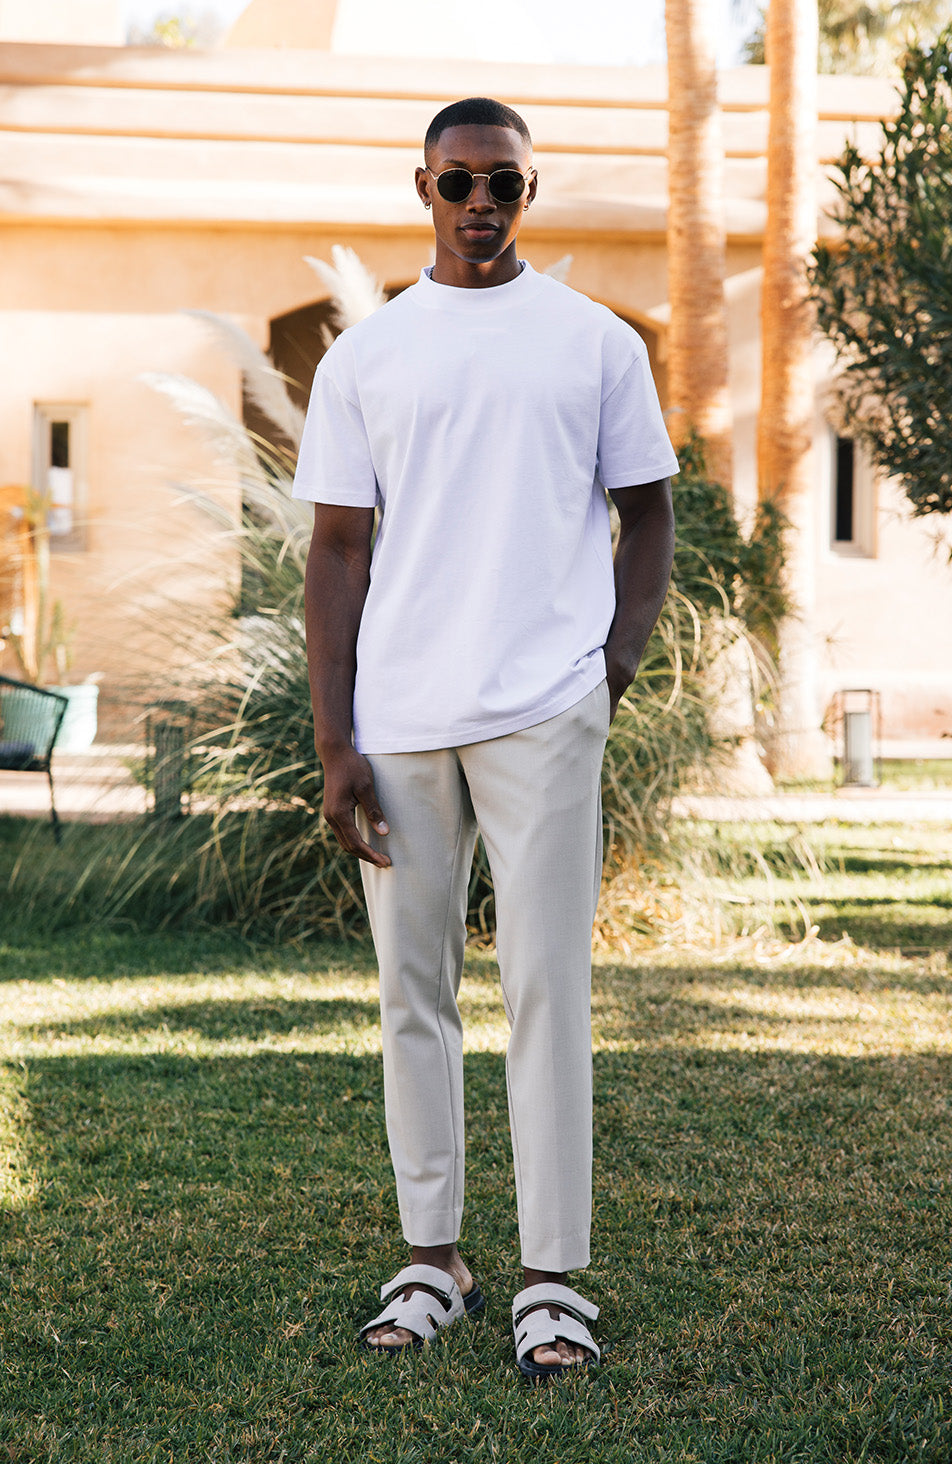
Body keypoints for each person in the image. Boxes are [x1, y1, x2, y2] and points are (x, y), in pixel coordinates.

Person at [293, 96, 677, 1382]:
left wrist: (608, 670)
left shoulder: (593, 344)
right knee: (412, 994)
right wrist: (334, 738)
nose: (479, 205)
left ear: (530, 188)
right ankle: (432, 1255)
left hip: (543, 712)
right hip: (399, 723)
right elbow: (337, 551)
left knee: (543, 993)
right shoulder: (369, 357)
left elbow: (649, 514)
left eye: (502, 184)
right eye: (458, 184)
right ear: (423, 187)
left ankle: (550, 1279)